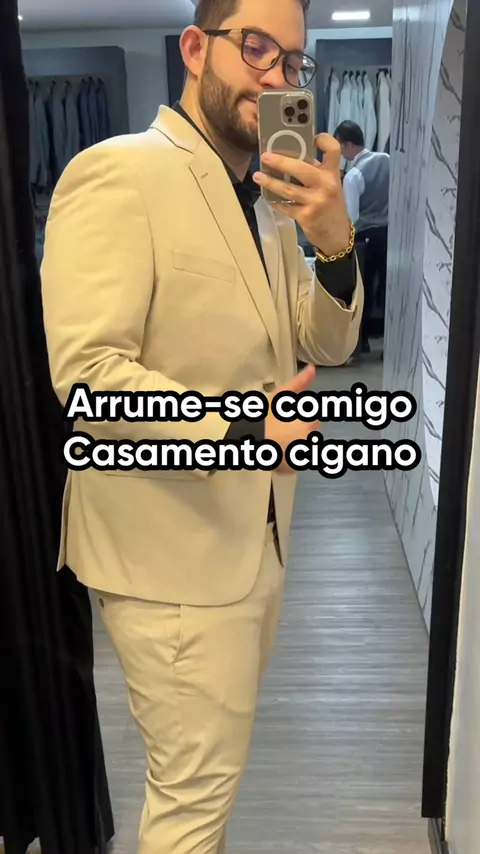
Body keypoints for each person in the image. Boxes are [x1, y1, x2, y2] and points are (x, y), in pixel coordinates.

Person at [40, 0, 363, 851]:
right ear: (195, 47)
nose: (276, 75)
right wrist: (248, 432)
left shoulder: (269, 203)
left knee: (203, 791)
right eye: (255, 47)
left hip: (255, 541)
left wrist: (335, 244)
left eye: (292, 62)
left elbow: (326, 344)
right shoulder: (119, 173)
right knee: (191, 803)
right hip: (170, 557)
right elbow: (92, 380)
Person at [335, 119, 389, 355]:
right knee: (387, 288)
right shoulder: (387, 160)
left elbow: (352, 217)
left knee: (363, 288)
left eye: (340, 147)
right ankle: (390, 343)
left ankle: (362, 341)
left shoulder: (353, 175)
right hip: (391, 234)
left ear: (348, 145)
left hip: (366, 237)